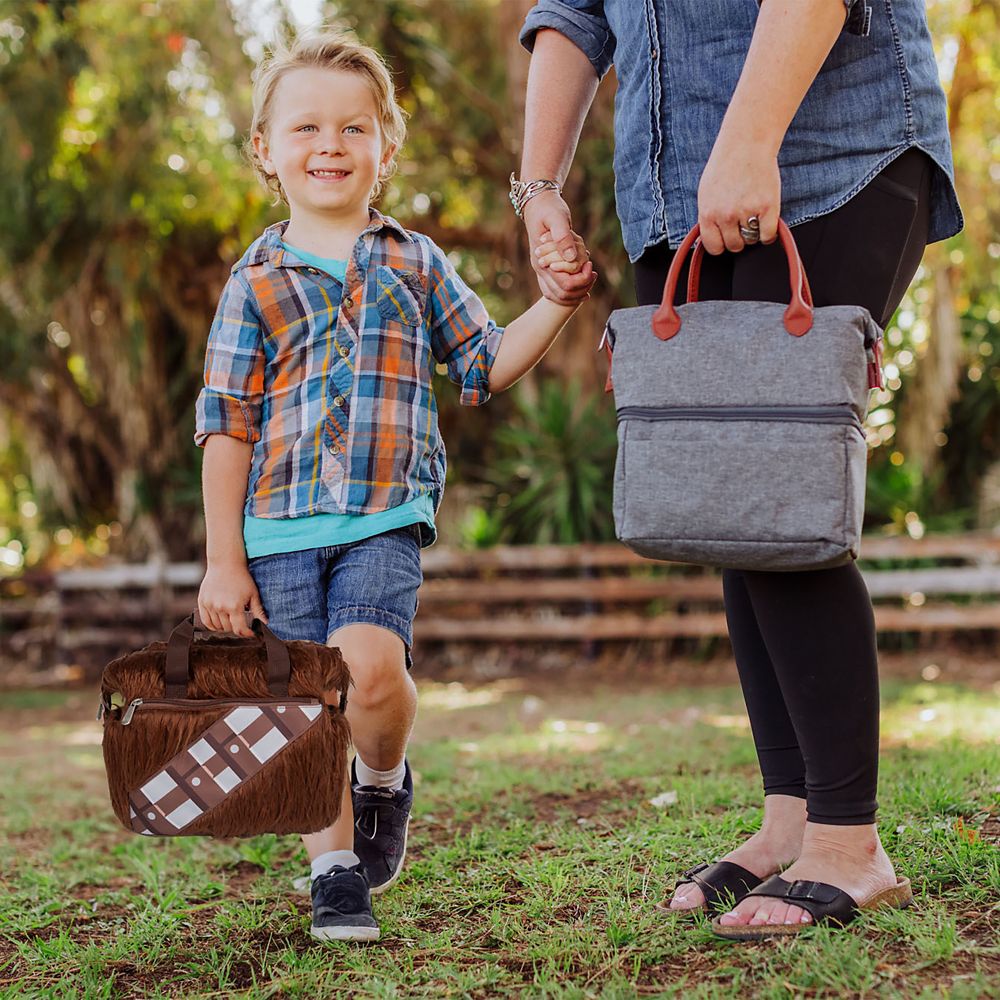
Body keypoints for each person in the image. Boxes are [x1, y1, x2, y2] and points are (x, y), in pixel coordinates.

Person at [519, 0, 963, 939]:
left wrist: (752, 137)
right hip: (671, 188)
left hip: (829, 154)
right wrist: (539, 188)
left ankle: (850, 843)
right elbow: (573, 13)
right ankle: (791, 819)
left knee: (775, 489)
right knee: (731, 496)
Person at [194, 29, 595, 943]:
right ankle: (334, 871)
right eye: (305, 128)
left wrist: (558, 303)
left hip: (385, 518)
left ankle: (383, 780)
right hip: (277, 529)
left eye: (353, 128)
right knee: (303, 708)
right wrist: (224, 562)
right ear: (266, 149)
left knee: (372, 676)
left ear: (384, 146)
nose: (329, 145)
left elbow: (486, 362)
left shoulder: (415, 262)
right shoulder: (252, 283)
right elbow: (227, 424)